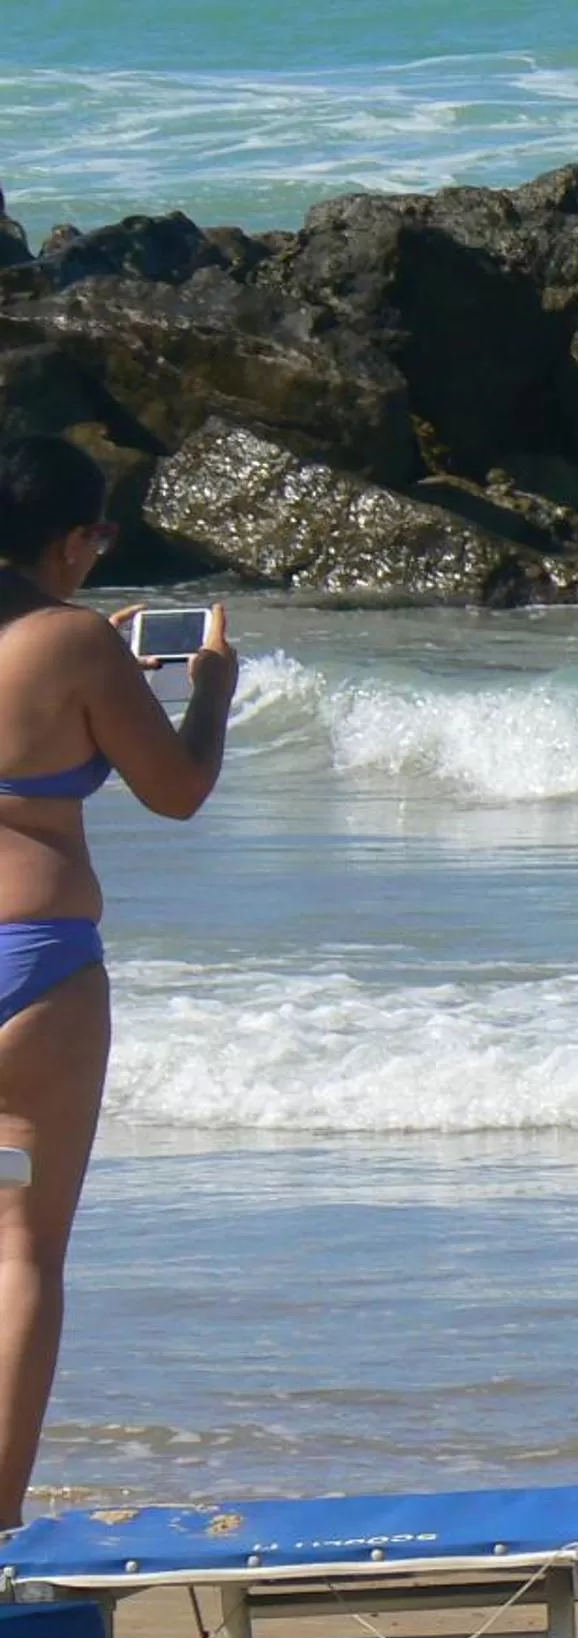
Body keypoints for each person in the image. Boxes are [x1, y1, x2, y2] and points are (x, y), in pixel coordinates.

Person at [0, 435, 236, 1529]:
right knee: (22, 1250)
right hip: (33, 963)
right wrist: (211, 692)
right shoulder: (77, 642)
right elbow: (178, 792)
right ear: (74, 538)